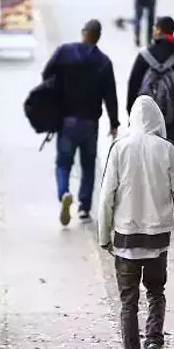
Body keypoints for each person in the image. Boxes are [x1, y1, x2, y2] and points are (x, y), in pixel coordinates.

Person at [98, 96, 174, 349]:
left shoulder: (119, 148)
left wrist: (103, 236)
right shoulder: (166, 149)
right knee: (156, 293)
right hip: (157, 240)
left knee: (128, 303)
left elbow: (105, 198)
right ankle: (153, 343)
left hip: (125, 240)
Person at [42, 19, 119, 225]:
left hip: (66, 121)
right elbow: (110, 95)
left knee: (63, 163)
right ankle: (84, 208)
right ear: (98, 37)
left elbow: (46, 75)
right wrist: (114, 122)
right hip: (90, 123)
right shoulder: (103, 62)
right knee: (88, 165)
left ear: (83, 33)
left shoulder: (64, 52)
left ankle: (64, 193)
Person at [126, 16, 174, 219]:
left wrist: (132, 119)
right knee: (171, 161)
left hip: (145, 122)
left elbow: (132, 90)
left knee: (147, 161)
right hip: (173, 120)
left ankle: (150, 204)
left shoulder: (144, 57)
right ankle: (173, 203)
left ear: (157, 31)